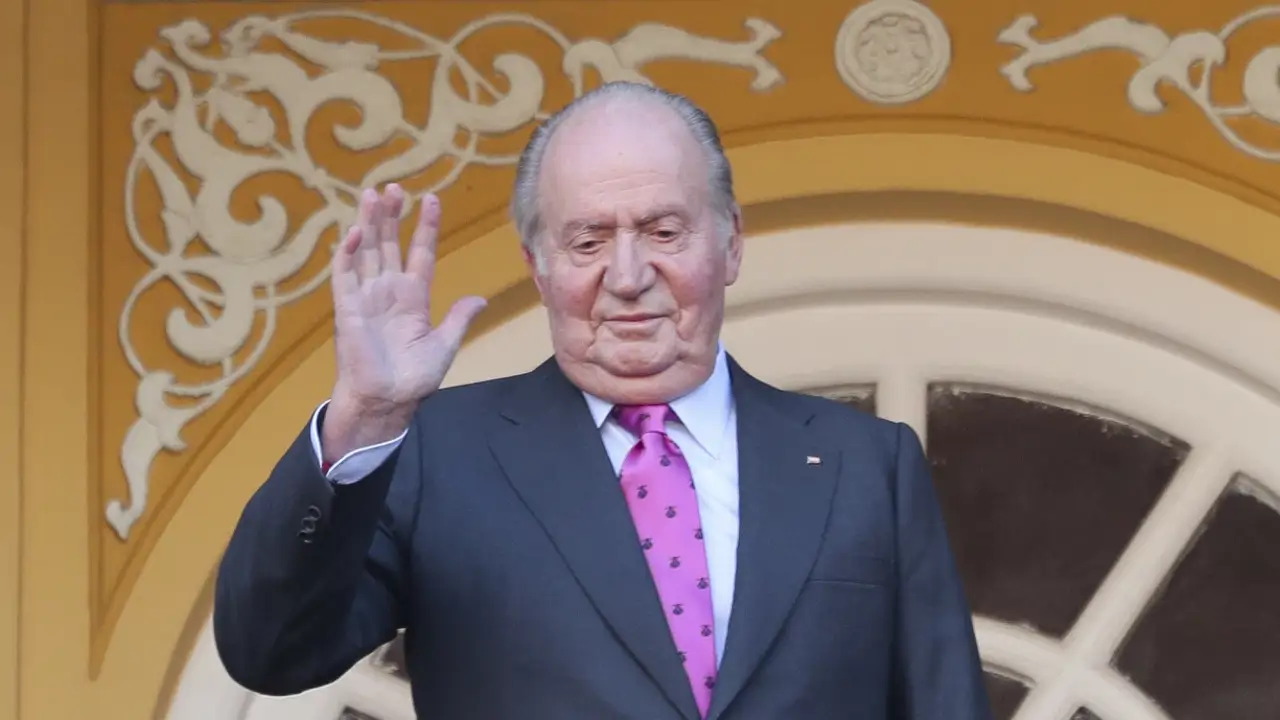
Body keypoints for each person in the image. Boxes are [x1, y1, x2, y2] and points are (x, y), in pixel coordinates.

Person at [213, 81, 992, 719]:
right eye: (587, 242)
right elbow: (270, 652)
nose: (626, 275)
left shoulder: (867, 465)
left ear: (731, 242)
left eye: (663, 232)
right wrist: (366, 417)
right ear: (538, 265)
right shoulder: (434, 454)